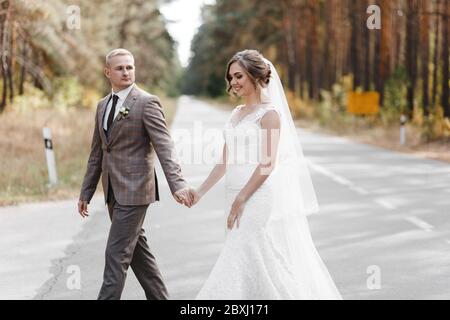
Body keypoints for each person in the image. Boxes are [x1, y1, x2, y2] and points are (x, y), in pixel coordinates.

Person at [193, 49, 342, 299]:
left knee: (238, 253)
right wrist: (199, 192)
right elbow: (224, 161)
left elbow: (267, 164)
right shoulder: (236, 113)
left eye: (238, 76)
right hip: (233, 194)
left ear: (254, 74)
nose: (233, 82)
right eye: (230, 78)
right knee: (254, 256)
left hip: (255, 196)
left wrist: (242, 198)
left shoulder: (270, 114)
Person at [77, 48, 195, 300]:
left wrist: (178, 184)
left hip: (137, 191)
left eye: (130, 67)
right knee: (139, 255)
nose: (126, 72)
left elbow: (165, 146)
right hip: (112, 192)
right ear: (107, 72)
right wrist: (86, 192)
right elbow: (97, 153)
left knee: (116, 254)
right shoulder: (101, 106)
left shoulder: (146, 102)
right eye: (120, 68)